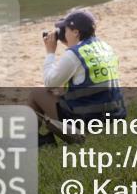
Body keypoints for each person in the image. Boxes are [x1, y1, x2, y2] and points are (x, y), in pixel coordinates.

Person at [28, 10, 126, 146]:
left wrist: (50, 53)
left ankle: (36, 141)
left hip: (88, 123)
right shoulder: (106, 47)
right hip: (114, 118)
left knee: (35, 93)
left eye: (65, 29)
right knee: (61, 91)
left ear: (75, 32)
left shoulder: (74, 55)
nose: (63, 33)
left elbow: (49, 83)